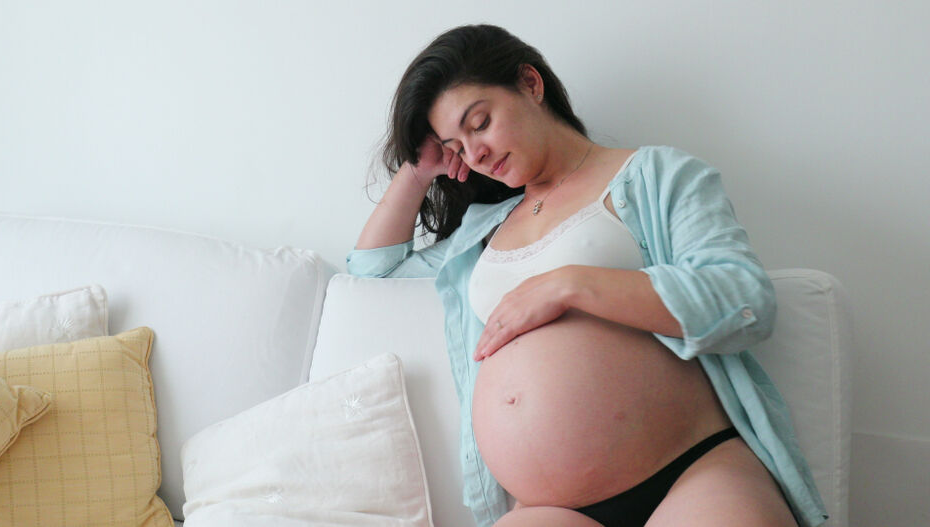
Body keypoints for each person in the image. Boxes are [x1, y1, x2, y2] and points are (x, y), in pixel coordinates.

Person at [348, 24, 827, 527]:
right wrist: (419, 173)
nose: (476, 154)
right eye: (458, 146)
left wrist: (570, 285)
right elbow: (373, 275)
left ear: (530, 84)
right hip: (547, 510)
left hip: (690, 472)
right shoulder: (479, 234)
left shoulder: (656, 177)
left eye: (481, 123)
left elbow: (744, 300)